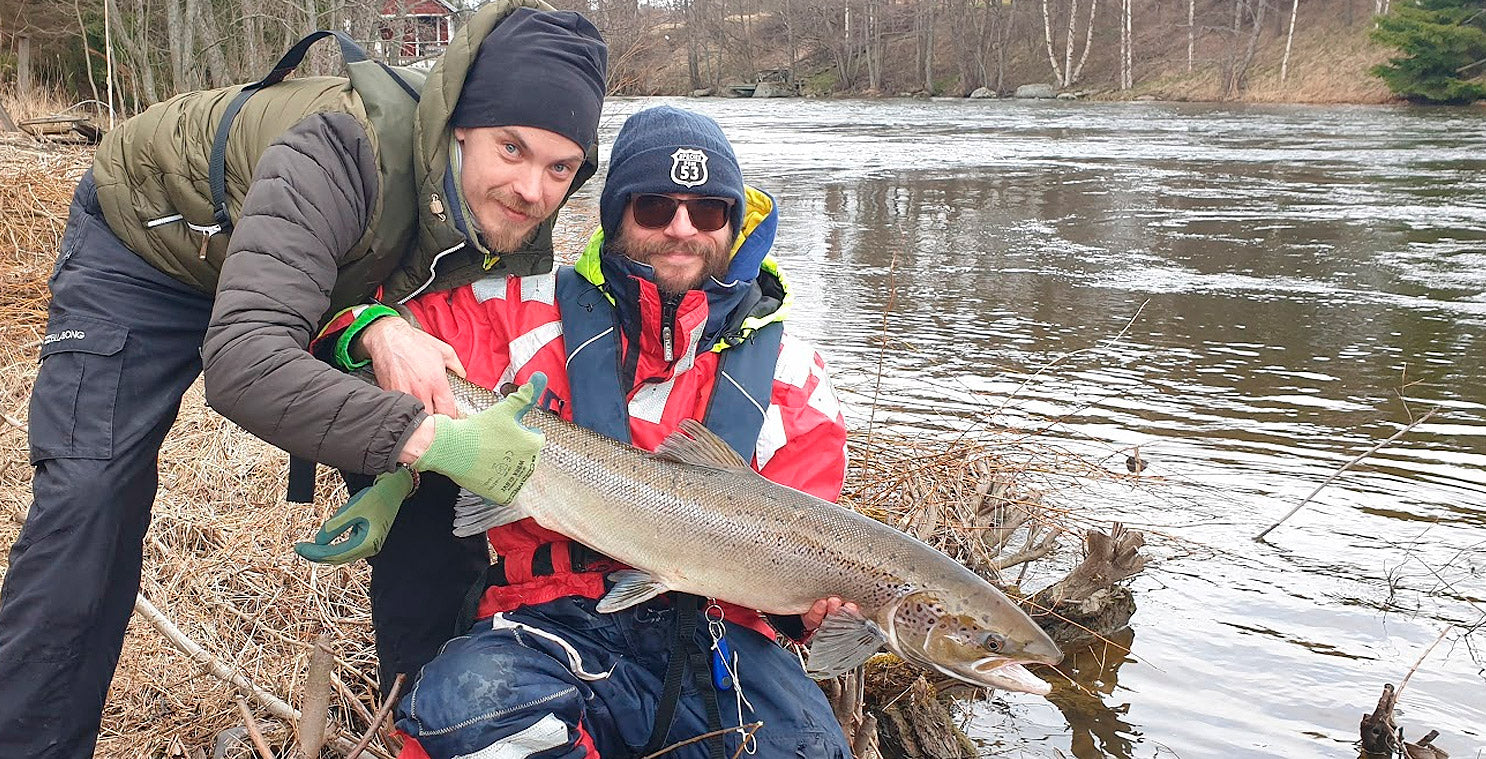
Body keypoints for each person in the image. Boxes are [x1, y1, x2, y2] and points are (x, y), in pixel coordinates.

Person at [0, 4, 607, 757]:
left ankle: (435, 725)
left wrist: (381, 346)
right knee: (91, 500)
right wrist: (426, 436)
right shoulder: (339, 150)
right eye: (511, 148)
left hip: (309, 272)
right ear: (459, 126)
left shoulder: (515, 219)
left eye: (559, 168)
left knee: (435, 490)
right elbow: (244, 363)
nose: (531, 188)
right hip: (150, 248)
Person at [323, 105, 855, 759]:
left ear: (732, 223)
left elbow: (798, 580)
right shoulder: (518, 309)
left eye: (708, 211)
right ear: (617, 214)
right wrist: (378, 330)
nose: (681, 228)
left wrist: (811, 613)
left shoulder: (794, 376)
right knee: (465, 715)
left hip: (720, 637)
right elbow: (342, 314)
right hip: (548, 613)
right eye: (655, 207)